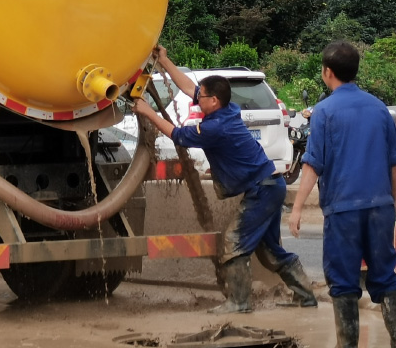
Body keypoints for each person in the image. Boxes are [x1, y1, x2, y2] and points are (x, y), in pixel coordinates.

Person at [133, 46, 316, 313]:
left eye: (202, 97)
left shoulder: (214, 127)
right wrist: (164, 60)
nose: (197, 100)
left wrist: (147, 112)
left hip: (262, 190)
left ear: (214, 101)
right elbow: (188, 88)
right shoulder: (226, 109)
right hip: (270, 185)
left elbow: (178, 135)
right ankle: (306, 297)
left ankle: (239, 302)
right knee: (269, 251)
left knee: (233, 242)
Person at [288, 41, 396, 348]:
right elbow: (394, 163)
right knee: (386, 276)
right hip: (380, 206)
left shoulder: (324, 112)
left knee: (343, 282)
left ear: (327, 73)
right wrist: (391, 202)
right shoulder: (380, 109)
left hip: (343, 211)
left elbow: (312, 166)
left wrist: (296, 208)